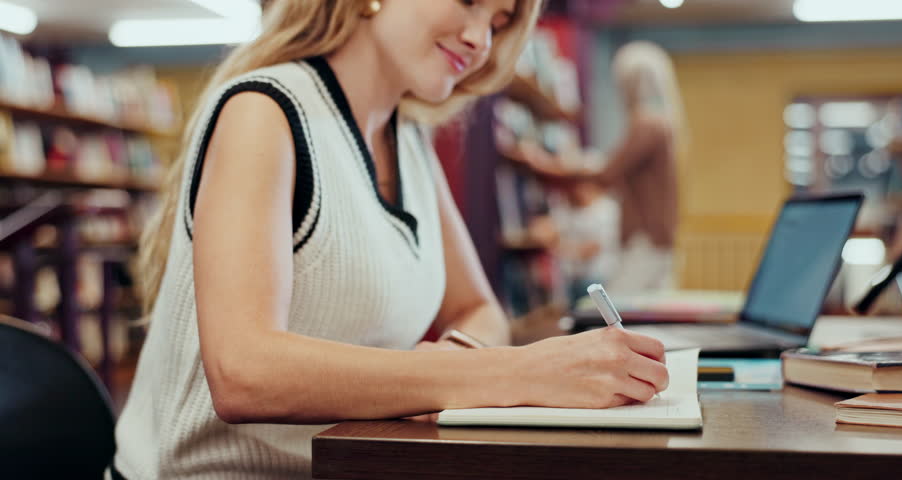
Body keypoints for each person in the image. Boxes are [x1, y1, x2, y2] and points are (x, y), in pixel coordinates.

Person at [112, 1, 669, 478]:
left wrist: (454, 360)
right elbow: (243, 372)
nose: (481, 39)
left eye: (498, 22)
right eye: (468, 1)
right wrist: (509, 374)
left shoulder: (408, 140)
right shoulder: (263, 110)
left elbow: (478, 310)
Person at [521, 40, 687, 292]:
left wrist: (548, 164)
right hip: (657, 239)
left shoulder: (648, 124)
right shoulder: (664, 124)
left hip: (645, 239)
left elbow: (607, 173)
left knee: (618, 304)